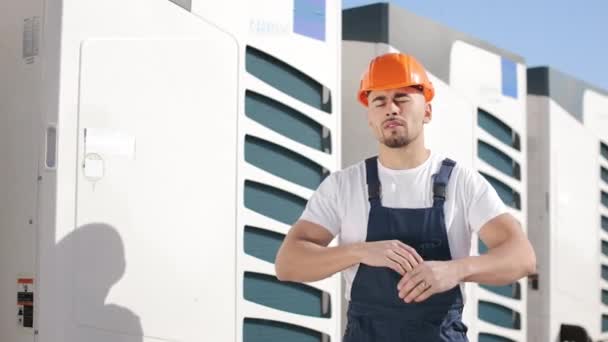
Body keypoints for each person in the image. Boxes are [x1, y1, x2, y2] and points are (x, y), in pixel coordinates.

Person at [274, 52, 536, 341]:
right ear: (370, 117)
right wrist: (360, 252)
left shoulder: (462, 183)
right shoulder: (342, 186)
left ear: (427, 111)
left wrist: (457, 270)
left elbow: (522, 257)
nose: (391, 109)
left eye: (402, 98)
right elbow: (288, 264)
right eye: (380, 101)